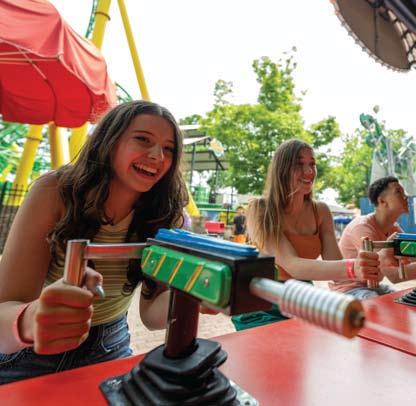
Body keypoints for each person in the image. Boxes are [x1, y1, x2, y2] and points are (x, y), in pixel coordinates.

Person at [0, 100, 190, 384]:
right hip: (29, 352)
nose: (157, 155)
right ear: (109, 141)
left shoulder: (168, 214)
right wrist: (30, 319)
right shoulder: (54, 191)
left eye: (169, 148)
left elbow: (152, 315)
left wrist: (196, 294)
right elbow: (4, 313)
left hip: (109, 345)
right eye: (143, 139)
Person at [231, 139, 380, 331]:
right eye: (299, 164)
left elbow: (337, 269)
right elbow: (293, 265)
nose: (309, 171)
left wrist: (375, 266)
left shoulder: (321, 211)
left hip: (302, 297)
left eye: (312, 164)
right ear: (282, 169)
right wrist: (354, 267)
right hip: (261, 300)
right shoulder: (261, 208)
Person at [330, 176, 416, 299]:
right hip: (348, 289)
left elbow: (408, 259)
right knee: (381, 303)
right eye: (398, 192)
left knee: (400, 299)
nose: (406, 196)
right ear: (382, 201)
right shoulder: (362, 227)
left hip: (372, 286)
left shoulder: (394, 228)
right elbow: (392, 273)